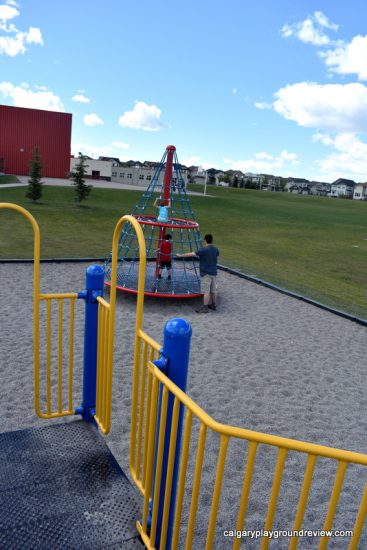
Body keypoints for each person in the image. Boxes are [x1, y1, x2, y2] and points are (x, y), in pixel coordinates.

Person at [178, 234, 219, 313]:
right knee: (213, 290)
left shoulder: (203, 250)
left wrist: (181, 255)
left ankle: (205, 307)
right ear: (211, 240)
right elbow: (216, 256)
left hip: (206, 273)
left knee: (206, 291)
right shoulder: (216, 249)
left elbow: (192, 254)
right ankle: (214, 305)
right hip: (214, 272)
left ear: (205, 240)